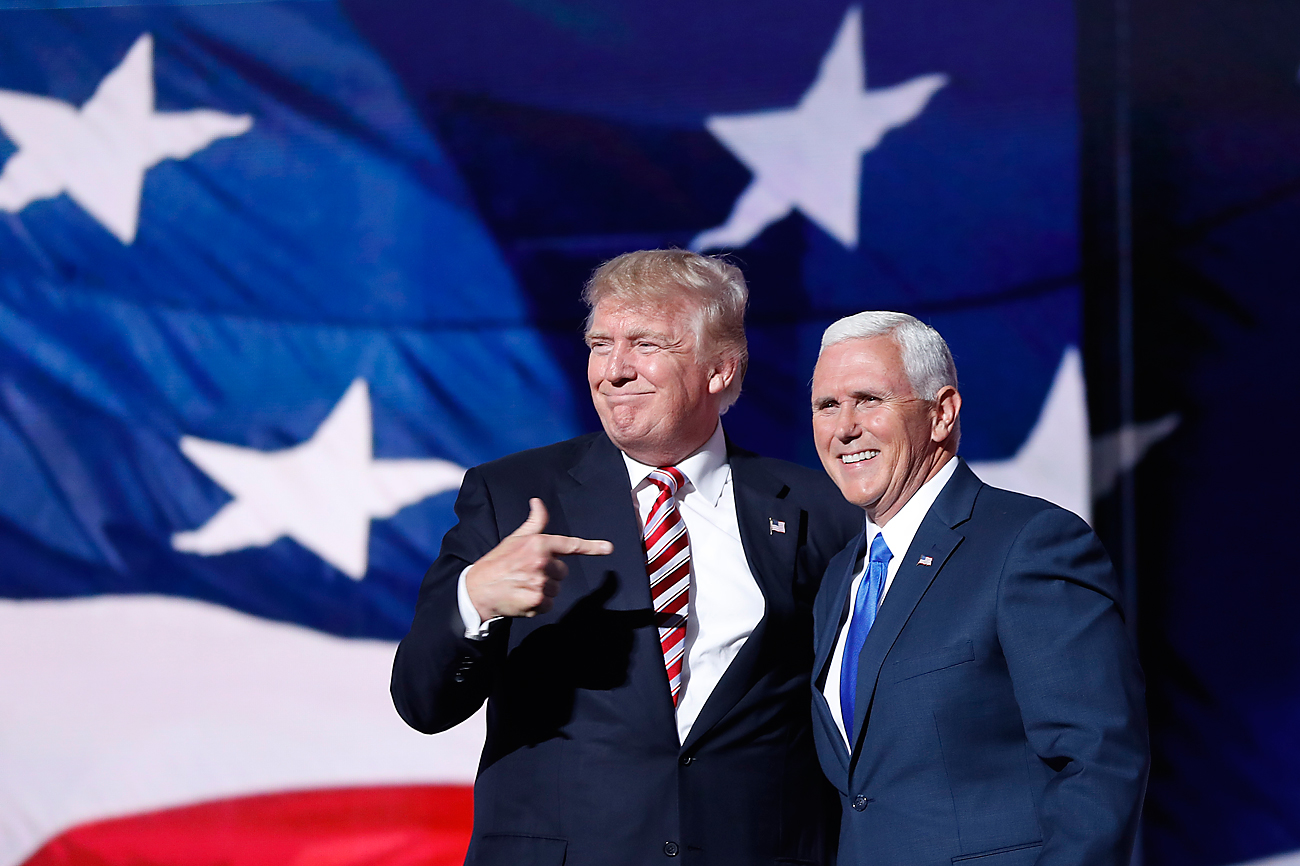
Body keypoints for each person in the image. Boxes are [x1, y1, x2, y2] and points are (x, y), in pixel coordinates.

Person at [392, 250, 861, 866]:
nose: (613, 370)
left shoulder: (819, 510)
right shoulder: (511, 496)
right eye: (599, 343)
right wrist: (474, 600)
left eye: (645, 344)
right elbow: (423, 704)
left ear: (720, 370)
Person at [807, 311, 1148, 866]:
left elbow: (1098, 757)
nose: (844, 427)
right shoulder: (840, 576)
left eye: (868, 399)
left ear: (941, 413)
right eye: (827, 405)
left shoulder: (1030, 543)